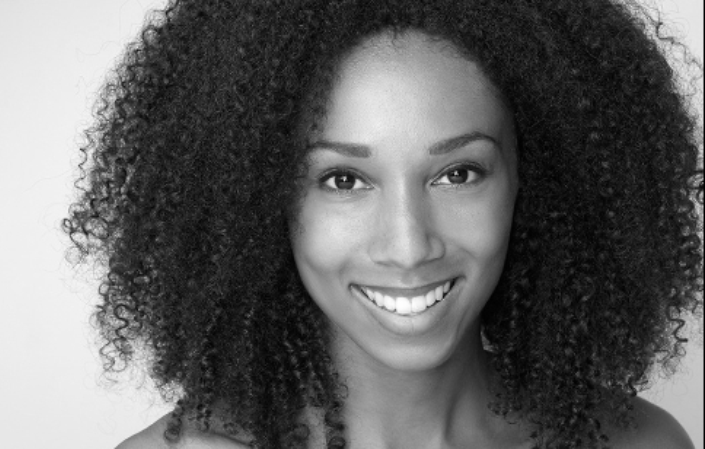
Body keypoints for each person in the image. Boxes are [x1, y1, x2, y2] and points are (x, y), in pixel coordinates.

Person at [64, 0, 702, 447]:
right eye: (344, 180)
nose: (408, 245)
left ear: (534, 182)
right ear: (256, 202)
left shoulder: (642, 444)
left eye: (458, 173)